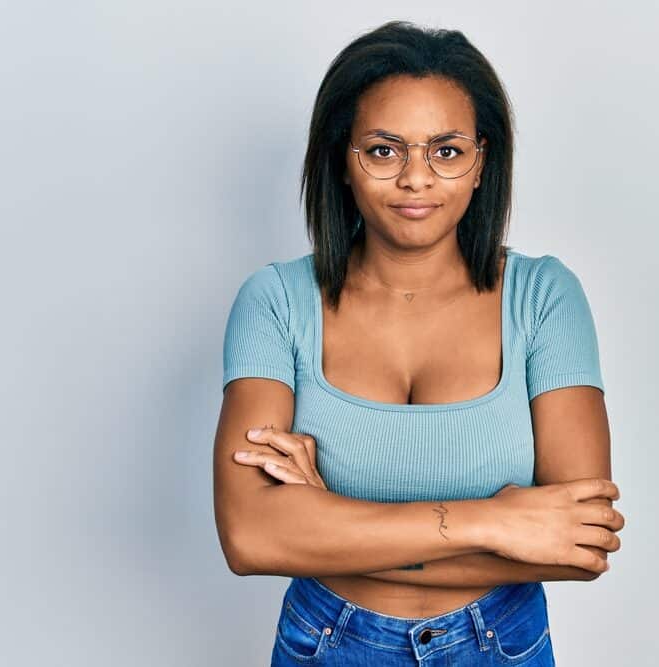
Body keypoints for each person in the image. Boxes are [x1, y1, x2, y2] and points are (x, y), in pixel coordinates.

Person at [213, 20, 625, 666]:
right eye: (383, 150)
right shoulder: (275, 302)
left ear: (483, 160)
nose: (416, 179)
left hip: (501, 645)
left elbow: (581, 544)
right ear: (340, 160)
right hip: (328, 643)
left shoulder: (546, 298)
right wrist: (495, 519)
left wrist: (326, 520)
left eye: (447, 151)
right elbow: (248, 535)